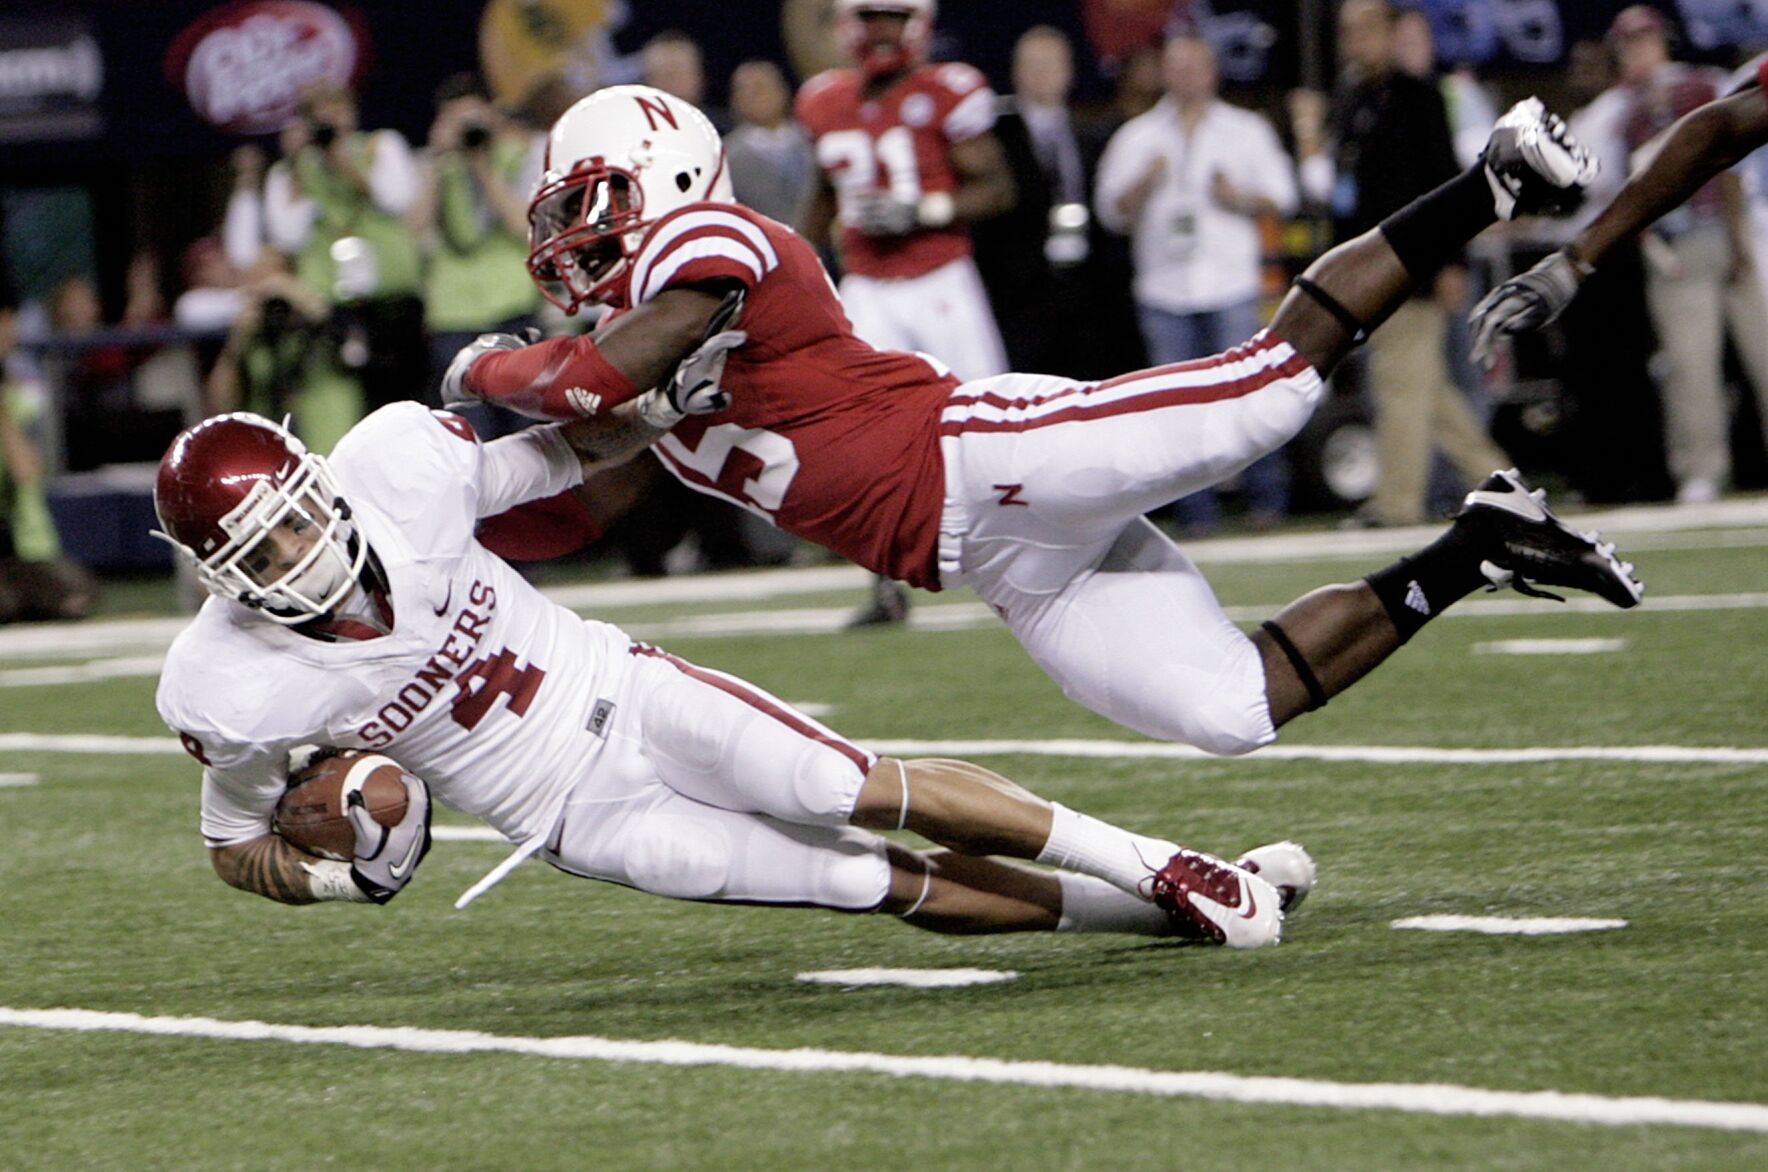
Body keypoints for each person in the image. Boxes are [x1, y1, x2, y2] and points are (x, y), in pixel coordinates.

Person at [446, 83, 1642, 766]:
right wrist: (441, 529)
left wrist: (487, 365)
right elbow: (579, 502)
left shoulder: (719, 247)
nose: (571, 236)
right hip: (998, 562)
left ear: (659, 177)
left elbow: (592, 384)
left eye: (587, 201)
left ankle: (1490, 180)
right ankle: (1480, 541)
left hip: (987, 453)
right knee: (1228, 710)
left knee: (1268, 393)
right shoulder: (630, 347)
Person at [151, 402, 1317, 948]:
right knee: (871, 886)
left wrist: (653, 404)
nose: (298, 557)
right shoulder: (226, 684)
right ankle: (1157, 908)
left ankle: (1164, 864)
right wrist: (342, 883)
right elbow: (230, 845)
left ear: (317, 478)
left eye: (298, 522)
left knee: (848, 786)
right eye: (260, 553)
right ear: (213, 574)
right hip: (567, 813)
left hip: (625, 690)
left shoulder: (398, 469)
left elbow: (557, 456)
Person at [1474, 7, 1768, 507]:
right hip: (1671, 247)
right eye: (1629, 44)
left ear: (1664, 40)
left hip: (1737, 234)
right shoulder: (1611, 110)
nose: (1639, 51)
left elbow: (1736, 162)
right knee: (1690, 366)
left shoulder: (1709, 81)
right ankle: (1700, 469)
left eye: (1645, 40)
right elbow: (1587, 182)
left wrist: (1744, 240)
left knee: (1764, 352)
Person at [796, 0, 1017, 626]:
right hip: (868, 285)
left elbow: (999, 187)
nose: (881, 31)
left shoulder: (947, 91)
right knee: (866, 437)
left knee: (988, 419)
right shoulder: (823, 100)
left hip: (940, 275)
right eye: (870, 17)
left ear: (917, 23)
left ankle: (1020, 560)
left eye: (892, 16)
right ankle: (885, 585)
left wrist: (925, 211)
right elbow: (818, 200)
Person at [1293, 0, 1510, 528]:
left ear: (1392, 32)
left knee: (1399, 386)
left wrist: (1453, 262)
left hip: (1413, 265)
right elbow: (1342, 190)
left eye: (1365, 29)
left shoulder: (1421, 98)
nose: (1354, 40)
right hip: (1364, 269)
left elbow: (1449, 187)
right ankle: (1503, 484)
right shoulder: (1351, 100)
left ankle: (1397, 504)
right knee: (1426, 391)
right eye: (1347, 31)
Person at [1095, 33, 1297, 535]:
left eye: (1195, 66)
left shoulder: (1244, 129)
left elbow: (1284, 195)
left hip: (1228, 283)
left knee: (1247, 397)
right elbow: (1109, 212)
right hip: (1164, 291)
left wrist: (1240, 199)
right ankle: (1196, 515)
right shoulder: (1138, 136)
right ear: (1164, 71)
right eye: (1177, 66)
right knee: (1177, 409)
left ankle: (1266, 504)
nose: (1186, 75)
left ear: (1212, 71)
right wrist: (1143, 184)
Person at [262, 81, 426, 414]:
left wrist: (344, 161)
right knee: (346, 409)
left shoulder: (381, 146)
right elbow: (287, 236)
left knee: (404, 406)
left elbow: (398, 200)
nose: (329, 123)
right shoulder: (290, 172)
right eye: (318, 117)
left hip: (392, 300)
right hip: (331, 312)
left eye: (336, 111)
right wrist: (299, 169)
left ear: (351, 113)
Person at [409, 73, 544, 442]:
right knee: (469, 434)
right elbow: (414, 228)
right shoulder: (438, 167)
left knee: (526, 429)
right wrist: (437, 160)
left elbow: (524, 227)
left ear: (492, 116)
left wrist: (483, 168)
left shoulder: (517, 157)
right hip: (454, 316)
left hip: (512, 307)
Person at [0, 291, 95, 623]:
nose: (9, 330)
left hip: (21, 548)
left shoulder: (22, 400)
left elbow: (26, 471)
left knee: (75, 591)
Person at [725, 61, 815, 227]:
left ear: (782, 91)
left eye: (760, 89)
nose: (754, 97)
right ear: (735, 100)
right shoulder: (727, 158)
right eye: (745, 91)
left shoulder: (813, 140)